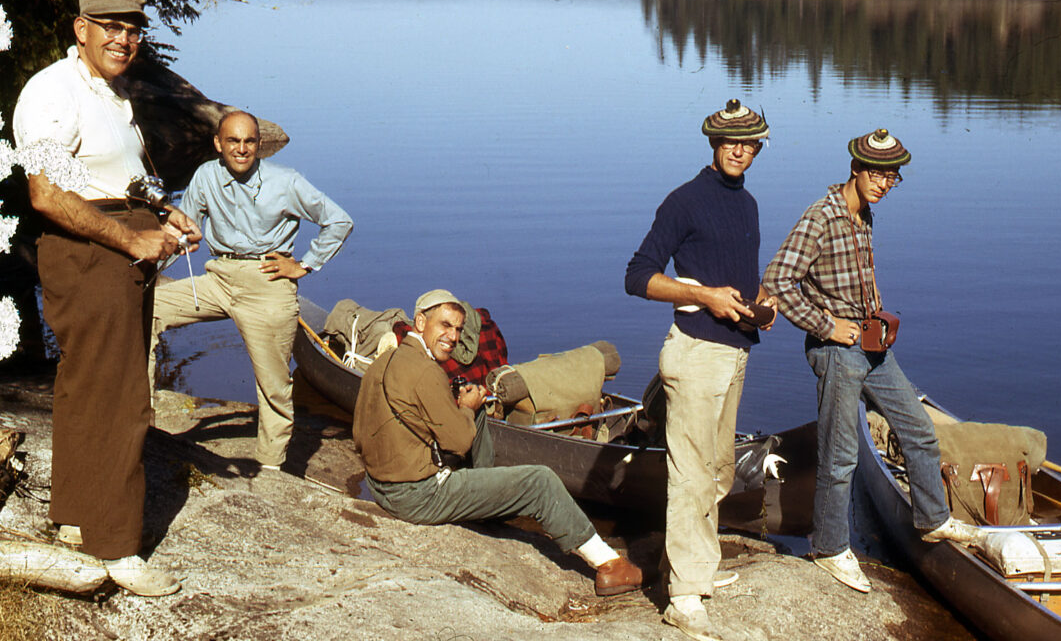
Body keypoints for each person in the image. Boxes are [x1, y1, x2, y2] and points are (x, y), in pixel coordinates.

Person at [13, 0, 203, 596]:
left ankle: (75, 515)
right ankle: (116, 547)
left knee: (86, 385)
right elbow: (47, 193)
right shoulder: (51, 90)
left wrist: (161, 211)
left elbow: (104, 171)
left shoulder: (107, 92)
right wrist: (130, 241)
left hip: (120, 246)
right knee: (120, 394)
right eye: (111, 27)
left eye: (133, 28)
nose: (125, 39)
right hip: (91, 257)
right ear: (80, 28)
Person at [761, 128, 983, 594]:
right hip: (838, 353)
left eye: (893, 177)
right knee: (840, 455)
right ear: (856, 170)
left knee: (920, 431)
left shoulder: (864, 218)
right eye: (878, 174)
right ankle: (829, 548)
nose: (885, 184)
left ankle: (932, 519)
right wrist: (825, 325)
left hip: (873, 347)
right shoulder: (821, 217)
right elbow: (779, 279)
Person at [351, 290, 642, 597]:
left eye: (458, 329)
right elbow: (461, 442)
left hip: (381, 485)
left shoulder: (384, 362)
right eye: (445, 325)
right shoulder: (426, 371)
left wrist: (461, 414)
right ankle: (611, 567)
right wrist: (466, 408)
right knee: (539, 481)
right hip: (416, 495)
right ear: (421, 321)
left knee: (472, 414)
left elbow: (359, 436)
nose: (453, 337)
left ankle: (487, 507)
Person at [624, 99, 777, 641]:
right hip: (693, 353)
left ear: (758, 147)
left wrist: (764, 303)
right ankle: (684, 598)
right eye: (731, 141)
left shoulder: (749, 205)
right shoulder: (684, 202)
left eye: (751, 143)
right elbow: (638, 276)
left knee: (718, 471)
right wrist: (705, 296)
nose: (741, 150)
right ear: (713, 143)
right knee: (690, 475)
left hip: (734, 352)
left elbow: (739, 279)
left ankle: (690, 567)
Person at [151, 110, 352, 471]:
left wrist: (304, 265)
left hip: (267, 282)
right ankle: (141, 421)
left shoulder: (287, 182)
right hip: (218, 277)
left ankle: (271, 471)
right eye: (233, 141)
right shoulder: (205, 176)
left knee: (274, 386)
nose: (241, 149)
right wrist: (154, 263)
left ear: (259, 145)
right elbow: (183, 229)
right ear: (218, 144)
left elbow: (338, 221)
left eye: (249, 142)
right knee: (146, 308)